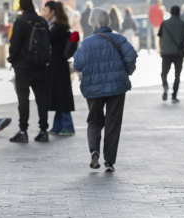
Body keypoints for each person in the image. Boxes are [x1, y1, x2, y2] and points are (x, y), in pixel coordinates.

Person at [73, 7, 137, 172]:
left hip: (92, 87)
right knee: (113, 122)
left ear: (92, 23)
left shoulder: (86, 43)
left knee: (94, 120)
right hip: (116, 86)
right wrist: (126, 72)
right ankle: (109, 161)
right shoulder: (119, 39)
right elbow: (131, 56)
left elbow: (77, 64)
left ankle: (94, 151)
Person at [7, 0, 49, 143]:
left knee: (23, 99)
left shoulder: (20, 22)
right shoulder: (42, 21)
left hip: (23, 67)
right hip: (40, 66)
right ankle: (43, 130)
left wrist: (13, 61)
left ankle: (23, 131)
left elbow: (14, 45)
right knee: (41, 99)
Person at [43, 1, 75, 136]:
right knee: (58, 97)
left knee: (61, 97)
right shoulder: (56, 26)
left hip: (59, 68)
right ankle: (57, 126)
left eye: (46, 10)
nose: (44, 13)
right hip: (57, 67)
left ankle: (68, 126)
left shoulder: (58, 28)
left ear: (53, 12)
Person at [158, 5, 184, 103]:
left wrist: (161, 50)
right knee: (177, 75)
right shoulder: (183, 24)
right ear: (179, 13)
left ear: (171, 12)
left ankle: (165, 86)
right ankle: (174, 96)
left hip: (166, 53)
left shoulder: (164, 23)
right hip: (178, 53)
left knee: (164, 73)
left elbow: (160, 38)